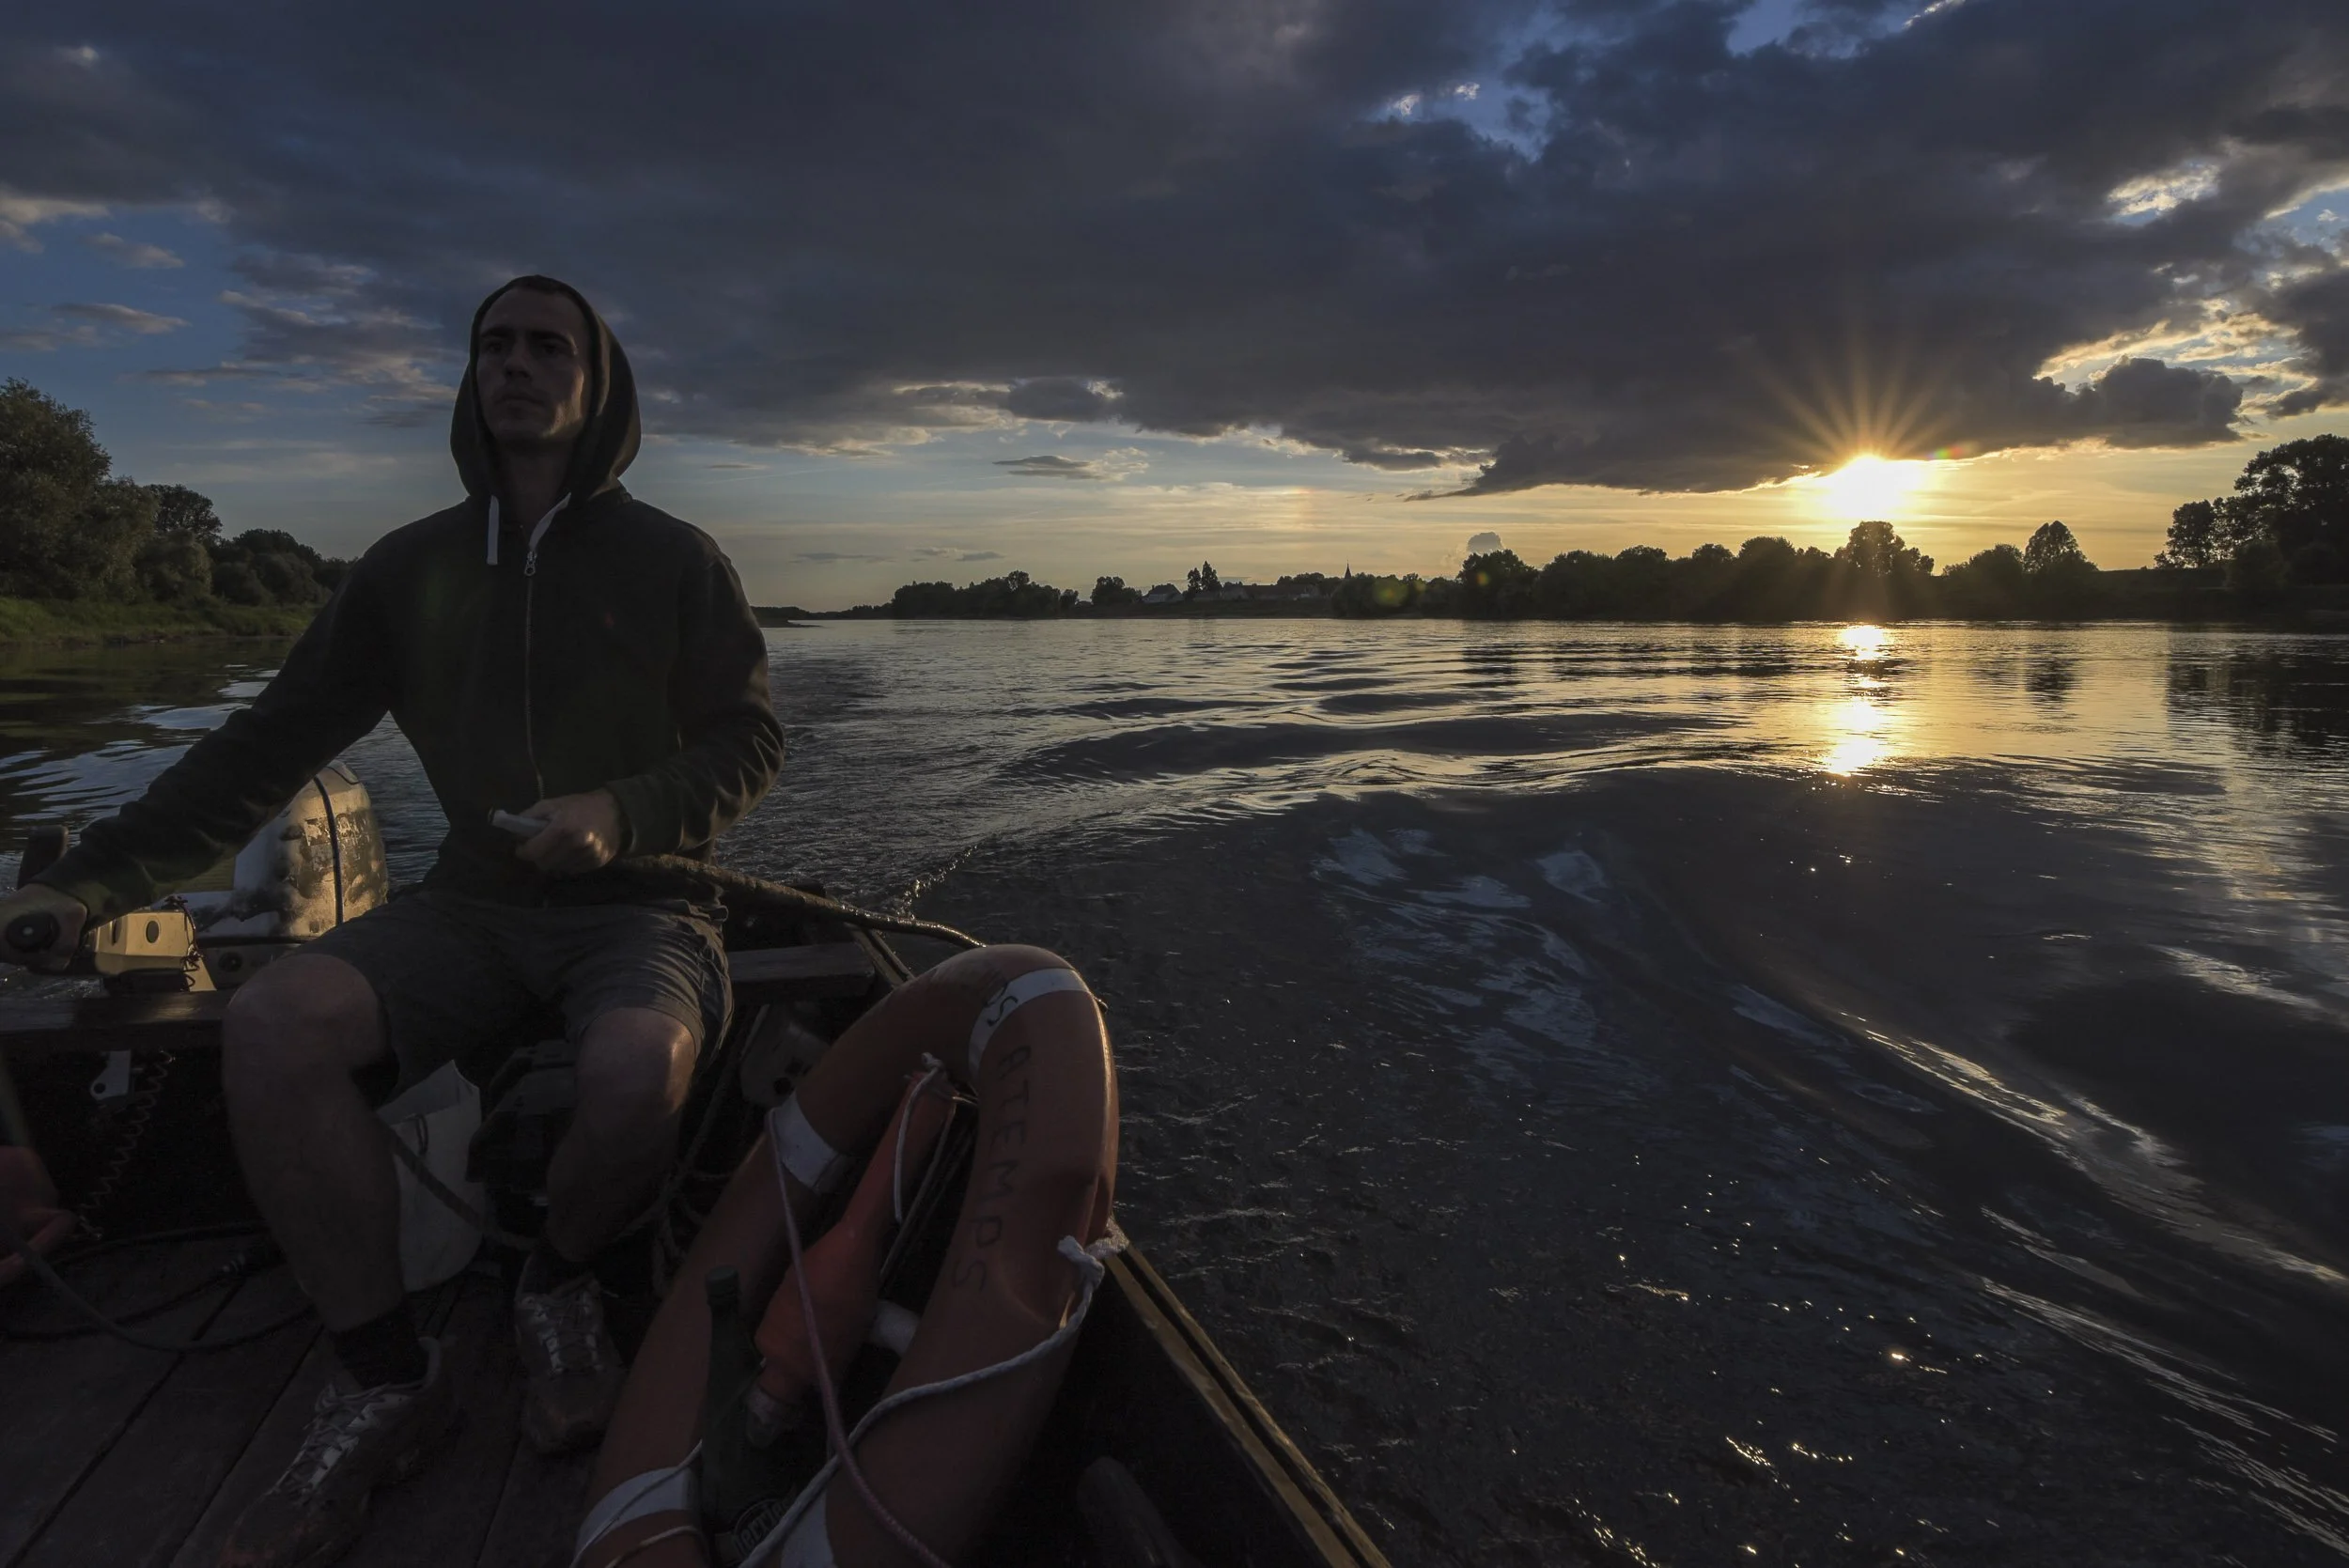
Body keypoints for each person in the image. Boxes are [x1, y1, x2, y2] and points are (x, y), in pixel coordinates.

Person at [0, 276, 785, 1568]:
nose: (515, 365)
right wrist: (85, 883)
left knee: (639, 1065)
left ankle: (558, 1281)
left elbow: (748, 742)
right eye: (494, 346)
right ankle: (383, 1374)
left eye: (547, 347)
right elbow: (265, 751)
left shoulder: (674, 561)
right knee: (274, 1024)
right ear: (471, 378)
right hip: (470, 906)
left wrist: (625, 810)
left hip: (643, 901)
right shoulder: (409, 569)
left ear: (599, 386)